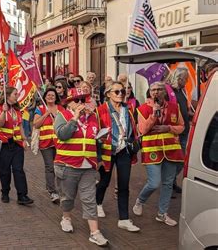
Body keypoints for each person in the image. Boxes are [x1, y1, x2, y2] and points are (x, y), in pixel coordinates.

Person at [54, 90, 109, 246]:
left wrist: (100, 141)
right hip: (67, 164)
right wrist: (75, 118)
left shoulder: (93, 117)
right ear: (69, 102)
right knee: (68, 196)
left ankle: (95, 232)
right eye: (77, 100)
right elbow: (62, 135)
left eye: (83, 100)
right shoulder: (62, 115)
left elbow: (94, 139)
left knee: (89, 199)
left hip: (88, 166)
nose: (81, 103)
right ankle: (66, 217)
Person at [133, 81, 184, 226]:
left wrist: (168, 128)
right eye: (153, 90)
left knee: (168, 183)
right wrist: (154, 115)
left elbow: (181, 126)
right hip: (152, 150)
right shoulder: (142, 109)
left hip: (171, 150)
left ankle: (162, 214)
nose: (156, 92)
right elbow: (142, 130)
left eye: (159, 89)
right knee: (154, 183)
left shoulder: (175, 107)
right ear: (149, 92)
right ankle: (140, 201)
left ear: (164, 92)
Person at [95, 81, 141, 232]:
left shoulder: (128, 109)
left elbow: (133, 129)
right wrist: (99, 157)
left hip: (124, 152)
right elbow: (96, 136)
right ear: (108, 94)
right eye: (116, 92)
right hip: (107, 151)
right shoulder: (100, 110)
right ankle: (98, 203)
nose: (121, 94)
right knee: (104, 181)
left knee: (124, 185)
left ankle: (124, 219)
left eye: (122, 91)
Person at [0, 87, 34, 205]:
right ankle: (5, 192)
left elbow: (19, 127)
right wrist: (4, 112)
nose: (17, 95)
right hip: (4, 145)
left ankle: (22, 195)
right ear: (7, 96)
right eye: (15, 94)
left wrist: (25, 140)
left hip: (16, 144)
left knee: (18, 170)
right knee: (5, 171)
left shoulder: (17, 110)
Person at [33, 88, 63, 204]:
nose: (50, 97)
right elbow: (36, 124)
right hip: (46, 144)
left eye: (53, 95)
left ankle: (61, 189)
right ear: (44, 97)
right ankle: (52, 191)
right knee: (50, 167)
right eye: (48, 95)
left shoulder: (61, 109)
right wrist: (46, 114)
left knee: (60, 167)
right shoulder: (40, 109)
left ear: (56, 97)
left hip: (59, 143)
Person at [166, 67, 191, 194]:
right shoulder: (168, 90)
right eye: (185, 79)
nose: (186, 81)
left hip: (184, 129)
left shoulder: (183, 91)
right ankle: (168, 184)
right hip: (174, 131)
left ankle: (170, 181)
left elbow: (184, 109)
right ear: (179, 78)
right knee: (174, 159)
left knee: (181, 159)